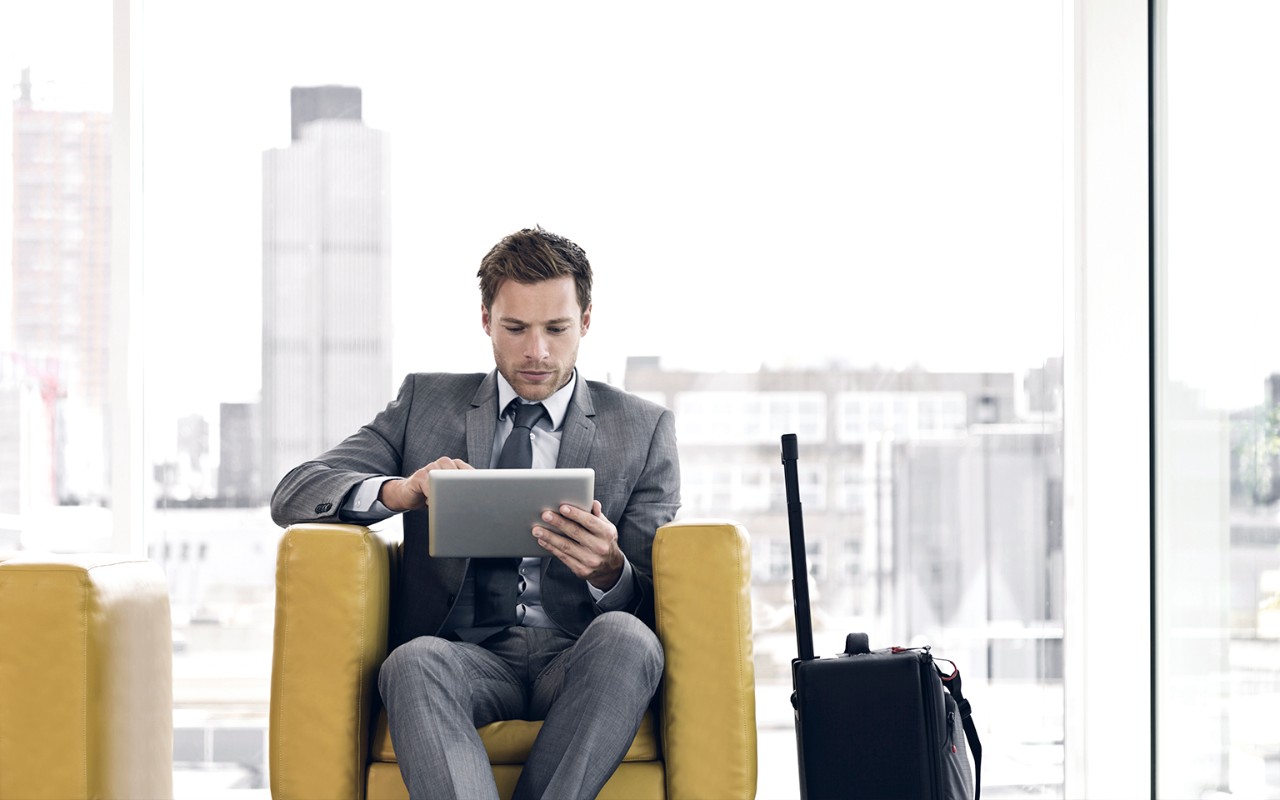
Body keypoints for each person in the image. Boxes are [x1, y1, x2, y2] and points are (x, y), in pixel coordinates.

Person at [270, 226, 681, 800]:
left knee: (629, 641)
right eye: (515, 328)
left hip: (578, 657)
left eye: (556, 328)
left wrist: (610, 571)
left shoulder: (643, 428)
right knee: (412, 662)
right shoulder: (424, 403)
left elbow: (654, 603)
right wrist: (400, 492)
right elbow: (294, 492)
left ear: (586, 321)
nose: (537, 351)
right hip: (463, 657)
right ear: (486, 320)